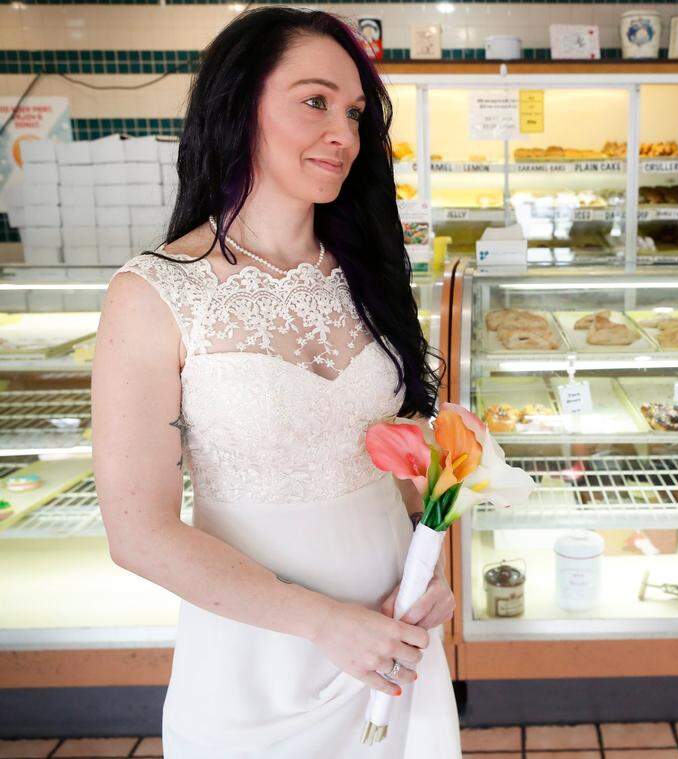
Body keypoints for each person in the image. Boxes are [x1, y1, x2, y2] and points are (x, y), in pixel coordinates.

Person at [91, 8, 461, 757]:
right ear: (238, 104)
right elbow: (138, 533)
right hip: (256, 664)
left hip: (395, 642)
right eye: (315, 102)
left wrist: (432, 571)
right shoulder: (155, 294)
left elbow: (408, 459)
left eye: (355, 113)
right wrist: (326, 622)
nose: (346, 135)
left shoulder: (367, 272)